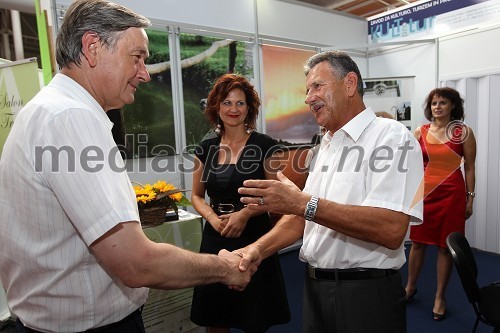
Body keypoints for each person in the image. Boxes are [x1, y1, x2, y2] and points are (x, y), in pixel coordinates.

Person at [0, 1, 256, 332]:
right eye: (136, 58)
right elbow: (135, 263)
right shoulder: (70, 117)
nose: (145, 74)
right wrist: (223, 267)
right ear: (92, 48)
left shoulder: (52, 111)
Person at [236, 50, 424, 333]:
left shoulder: (392, 138)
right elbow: (302, 217)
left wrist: (303, 203)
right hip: (314, 290)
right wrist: (256, 250)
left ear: (349, 84)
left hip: (366, 296)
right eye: (307, 89)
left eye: (317, 86)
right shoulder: (327, 144)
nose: (308, 97)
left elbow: (391, 229)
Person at [190, 73, 290, 333]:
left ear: (249, 108)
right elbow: (197, 196)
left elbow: (279, 196)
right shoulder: (205, 148)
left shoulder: (266, 145)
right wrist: (212, 219)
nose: (233, 109)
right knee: (216, 316)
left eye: (240, 103)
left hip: (254, 236)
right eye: (226, 102)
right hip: (216, 236)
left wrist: (245, 214)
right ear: (216, 107)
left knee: (254, 314)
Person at [405, 87, 476, 321]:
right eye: (434, 103)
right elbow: (408, 164)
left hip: (452, 195)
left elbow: (469, 167)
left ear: (453, 106)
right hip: (425, 193)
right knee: (417, 243)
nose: (437, 107)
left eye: (443, 103)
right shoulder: (420, 131)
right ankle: (410, 287)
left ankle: (440, 297)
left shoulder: (463, 132)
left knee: (446, 247)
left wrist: (470, 197)